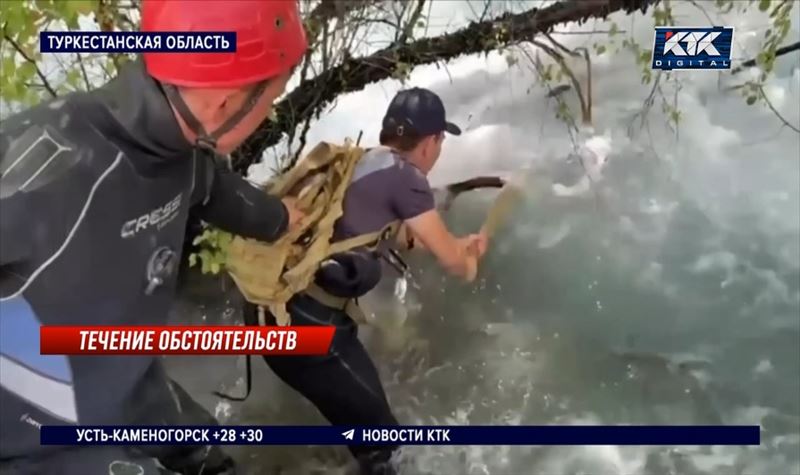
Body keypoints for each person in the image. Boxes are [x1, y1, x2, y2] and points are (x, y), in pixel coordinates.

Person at [0, 2, 307, 474]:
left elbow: (216, 190)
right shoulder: (42, 162)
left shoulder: (180, 154)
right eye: (270, 101)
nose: (267, 119)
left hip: (130, 385)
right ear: (225, 101)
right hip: (38, 439)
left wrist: (283, 219)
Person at [243, 87, 489, 475]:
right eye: (440, 141)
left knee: (365, 438)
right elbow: (457, 266)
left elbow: (405, 238)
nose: (439, 151)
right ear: (430, 142)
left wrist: (459, 245)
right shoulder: (408, 179)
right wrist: (468, 259)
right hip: (309, 331)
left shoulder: (363, 163)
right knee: (388, 448)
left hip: (271, 314)